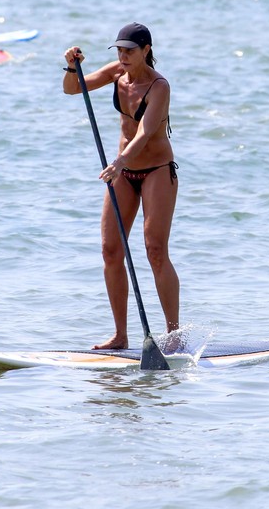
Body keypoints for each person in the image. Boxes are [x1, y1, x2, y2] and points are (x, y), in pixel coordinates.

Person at [62, 22, 180, 350]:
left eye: (130, 50)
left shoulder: (159, 87)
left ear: (147, 51)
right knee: (110, 250)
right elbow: (74, 89)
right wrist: (72, 66)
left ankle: (173, 335)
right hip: (122, 173)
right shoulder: (117, 74)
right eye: (120, 51)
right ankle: (121, 335)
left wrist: (119, 162)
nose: (124, 56)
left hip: (155, 170)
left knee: (155, 250)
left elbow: (143, 133)